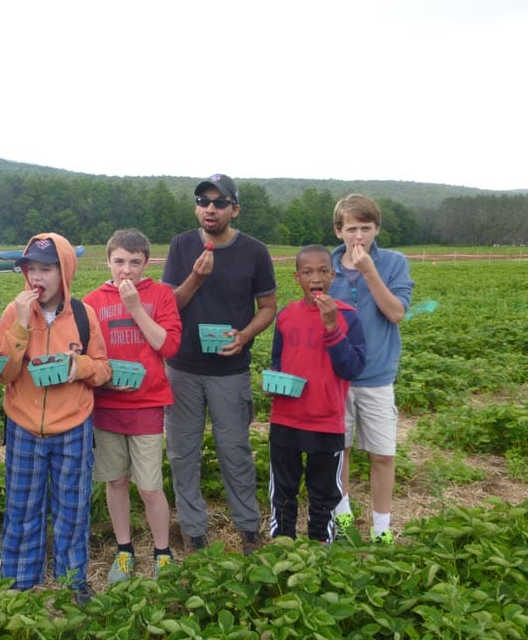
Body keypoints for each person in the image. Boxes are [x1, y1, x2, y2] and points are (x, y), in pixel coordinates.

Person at [162, 174, 278, 555]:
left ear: (234, 209)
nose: (210, 208)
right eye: (203, 201)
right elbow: (170, 305)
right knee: (183, 453)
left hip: (230, 371)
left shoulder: (254, 252)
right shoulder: (181, 246)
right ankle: (193, 530)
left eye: (219, 202)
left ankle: (247, 528)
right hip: (182, 368)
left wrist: (244, 336)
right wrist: (196, 278)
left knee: (235, 450)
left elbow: (268, 307)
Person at [0, 232, 111, 606]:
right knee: (21, 506)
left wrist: (80, 366)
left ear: (65, 272)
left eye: (46, 269)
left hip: (74, 424)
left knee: (72, 508)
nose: (36, 277)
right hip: (24, 424)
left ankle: (73, 580)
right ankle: (19, 581)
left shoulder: (83, 315)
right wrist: (20, 325)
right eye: (31, 269)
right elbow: (4, 373)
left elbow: (104, 369)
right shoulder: (14, 312)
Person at [83, 229, 182, 583]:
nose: (126, 270)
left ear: (146, 263)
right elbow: (87, 354)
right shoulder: (92, 301)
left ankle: (162, 552)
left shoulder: (161, 295)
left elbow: (168, 347)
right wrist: (104, 381)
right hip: (107, 405)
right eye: (120, 261)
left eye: (135, 263)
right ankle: (124, 550)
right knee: (116, 481)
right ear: (108, 261)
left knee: (150, 486)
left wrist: (135, 307)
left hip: (147, 403)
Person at [327, 194, 414, 544]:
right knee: (340, 451)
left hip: (377, 376)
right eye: (351, 229)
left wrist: (369, 272)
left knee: (383, 454)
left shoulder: (393, 263)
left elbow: (395, 312)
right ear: (339, 231)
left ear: (377, 228)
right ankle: (343, 520)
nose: (359, 236)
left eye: (366, 228)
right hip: (336, 378)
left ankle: (381, 529)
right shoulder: (326, 266)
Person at [267, 245, 366, 542]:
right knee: (283, 487)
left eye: (323, 271)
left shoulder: (348, 317)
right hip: (286, 416)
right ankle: (282, 543)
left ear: (333, 275)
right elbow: (277, 359)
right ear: (297, 277)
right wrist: (274, 379)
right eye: (307, 272)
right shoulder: (286, 316)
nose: (316, 278)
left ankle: (320, 546)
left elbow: (352, 368)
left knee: (323, 491)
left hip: (326, 419)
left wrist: (332, 327)